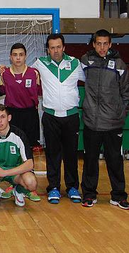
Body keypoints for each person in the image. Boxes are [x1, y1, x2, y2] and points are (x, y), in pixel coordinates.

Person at [32, 33, 85, 204]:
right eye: (52, 47)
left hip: (71, 116)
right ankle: (53, 187)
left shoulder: (76, 63)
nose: (55, 51)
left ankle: (72, 187)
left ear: (64, 47)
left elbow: (92, 79)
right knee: (53, 154)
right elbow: (21, 71)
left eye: (58, 47)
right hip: (50, 117)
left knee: (71, 154)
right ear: (47, 49)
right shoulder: (40, 63)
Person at [80, 29, 129, 209]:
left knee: (115, 161)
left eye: (105, 44)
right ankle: (89, 195)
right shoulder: (86, 62)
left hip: (112, 123)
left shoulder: (120, 65)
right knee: (90, 160)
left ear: (110, 45)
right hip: (92, 122)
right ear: (93, 44)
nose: (101, 47)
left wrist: (120, 112)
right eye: (98, 43)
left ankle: (118, 195)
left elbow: (126, 93)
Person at [0, 43, 42, 202]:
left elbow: (40, 92)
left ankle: (31, 185)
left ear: (25, 56)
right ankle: (15, 181)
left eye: (21, 55)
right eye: (15, 55)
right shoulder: (4, 75)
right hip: (13, 114)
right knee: (15, 149)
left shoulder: (34, 73)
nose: (18, 58)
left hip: (30, 113)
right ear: (10, 57)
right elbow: (0, 92)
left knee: (29, 149)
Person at [0, 104, 37, 208]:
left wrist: (6, 172)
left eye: (2, 117)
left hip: (15, 172)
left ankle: (18, 191)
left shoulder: (19, 135)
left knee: (31, 183)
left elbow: (30, 164)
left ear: (9, 118)